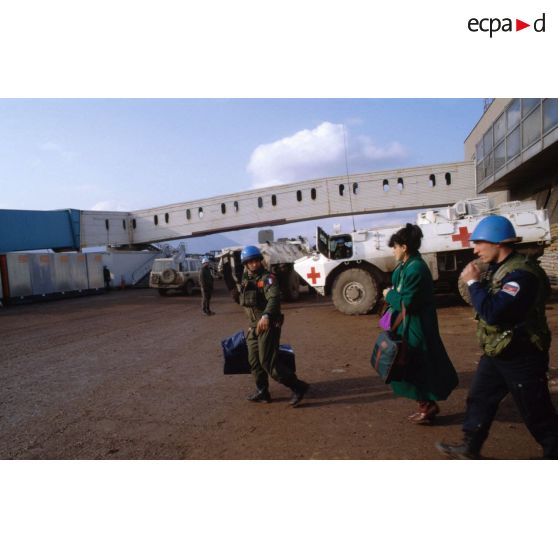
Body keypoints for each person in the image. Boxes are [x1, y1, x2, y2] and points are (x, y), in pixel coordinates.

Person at [437, 215, 558, 459]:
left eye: (479, 243)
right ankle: (470, 446)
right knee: (480, 398)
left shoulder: (521, 275)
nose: (475, 249)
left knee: (537, 412)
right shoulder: (499, 269)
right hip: (499, 350)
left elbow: (493, 313)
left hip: (521, 355)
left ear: (498, 243)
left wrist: (473, 283)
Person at [383, 223, 458, 424]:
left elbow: (407, 302)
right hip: (409, 325)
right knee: (413, 366)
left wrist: (388, 295)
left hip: (418, 327)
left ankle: (428, 406)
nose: (393, 250)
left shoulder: (416, 268)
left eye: (395, 246)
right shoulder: (406, 266)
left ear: (404, 247)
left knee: (418, 366)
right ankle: (425, 405)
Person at [237, 245, 309, 406]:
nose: (254, 264)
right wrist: (252, 324)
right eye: (251, 262)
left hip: (268, 324)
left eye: (256, 261)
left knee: (268, 362)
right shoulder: (246, 277)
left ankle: (298, 387)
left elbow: (274, 298)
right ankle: (262, 392)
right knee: (254, 361)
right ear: (246, 264)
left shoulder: (268, 278)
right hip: (254, 326)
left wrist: (266, 315)